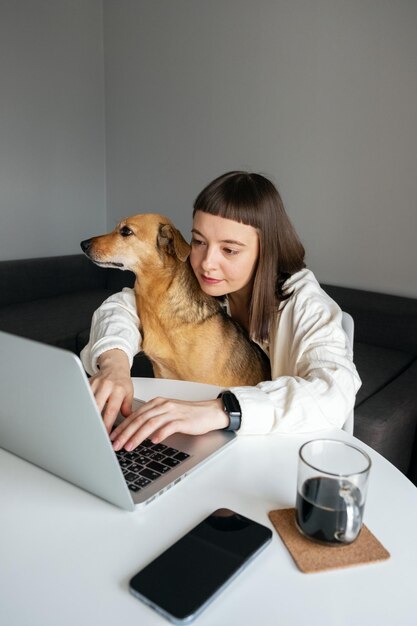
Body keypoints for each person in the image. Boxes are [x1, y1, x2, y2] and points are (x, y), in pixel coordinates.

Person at [81, 171, 361, 452]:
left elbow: (334, 390)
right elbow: (124, 308)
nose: (206, 263)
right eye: (200, 241)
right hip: (199, 442)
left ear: (266, 251)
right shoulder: (194, 277)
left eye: (229, 250)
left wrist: (223, 410)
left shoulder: (305, 303)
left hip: (274, 450)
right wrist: (114, 364)